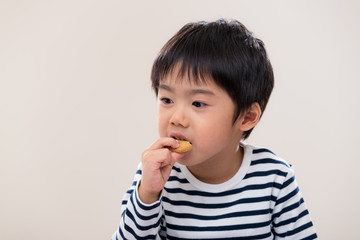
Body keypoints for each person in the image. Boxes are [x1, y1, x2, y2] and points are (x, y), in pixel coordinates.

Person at [112, 19, 318, 240]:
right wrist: (147, 194)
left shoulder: (274, 178)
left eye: (198, 104)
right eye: (167, 99)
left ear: (247, 117)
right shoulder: (156, 176)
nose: (177, 118)